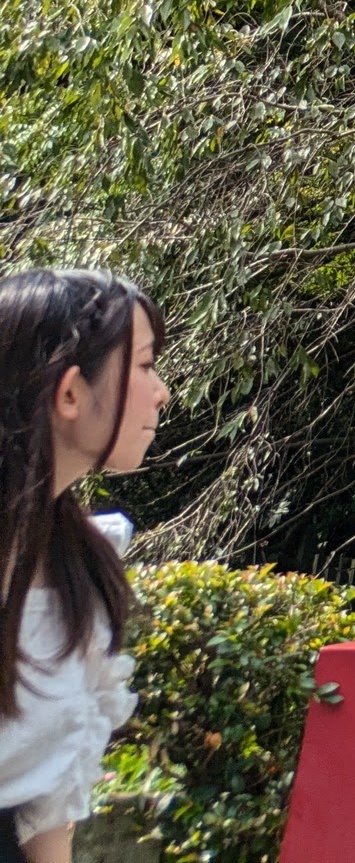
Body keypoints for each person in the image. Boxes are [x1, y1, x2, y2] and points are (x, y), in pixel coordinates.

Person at [0, 271, 168, 863]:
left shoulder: (77, 561)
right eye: (145, 366)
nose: (162, 392)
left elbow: (47, 814)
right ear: (70, 393)